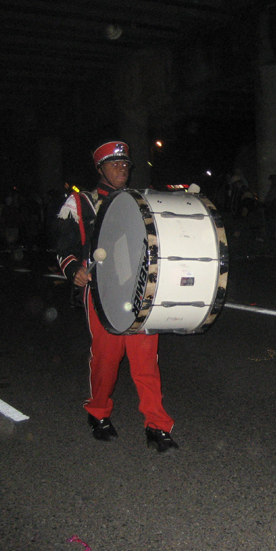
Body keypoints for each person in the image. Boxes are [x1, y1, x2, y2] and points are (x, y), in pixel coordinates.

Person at [56, 141, 178, 453]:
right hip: (100, 291)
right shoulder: (79, 202)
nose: (122, 168)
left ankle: (157, 426)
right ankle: (98, 413)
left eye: (125, 163)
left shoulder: (141, 200)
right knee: (107, 360)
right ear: (100, 169)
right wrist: (74, 272)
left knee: (145, 361)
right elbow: (65, 248)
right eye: (114, 163)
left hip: (140, 290)